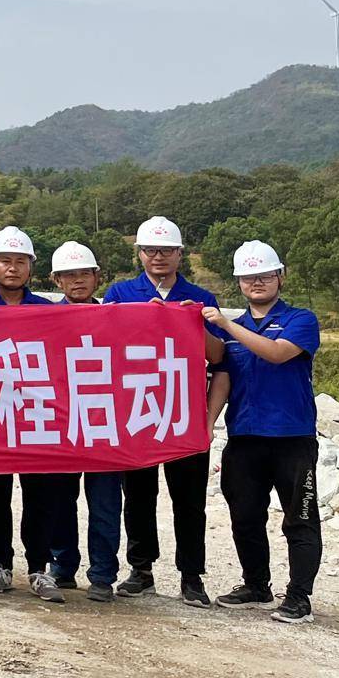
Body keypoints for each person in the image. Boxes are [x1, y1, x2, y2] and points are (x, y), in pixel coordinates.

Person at [102, 215, 230, 609]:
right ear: (139, 253)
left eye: (167, 251)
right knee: (138, 494)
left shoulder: (201, 297)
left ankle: (192, 576)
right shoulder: (121, 293)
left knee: (189, 499)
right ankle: (141, 570)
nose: (158, 257)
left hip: (184, 410)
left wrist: (192, 321)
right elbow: (101, 343)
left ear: (180, 254)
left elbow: (218, 355)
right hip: (136, 408)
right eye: (151, 251)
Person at [208, 241, 321, 625]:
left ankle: (299, 597)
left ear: (280, 277)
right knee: (245, 515)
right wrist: (207, 425)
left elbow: (276, 353)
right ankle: (256, 584)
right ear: (238, 282)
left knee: (299, 518)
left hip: (292, 438)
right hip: (244, 437)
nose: (256, 282)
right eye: (247, 277)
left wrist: (227, 325)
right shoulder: (233, 332)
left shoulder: (300, 320)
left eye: (264, 275)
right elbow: (222, 381)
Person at [0, 226, 76, 603]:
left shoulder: (48, 312)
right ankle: (1, 562)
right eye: (6, 261)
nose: (13, 268)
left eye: (21, 262)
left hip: (38, 416)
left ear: (31, 268)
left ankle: (39, 567)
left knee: (42, 495)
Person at [49, 241, 123, 602]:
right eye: (68, 275)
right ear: (56, 280)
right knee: (61, 502)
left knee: (106, 504)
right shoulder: (42, 319)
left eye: (84, 274)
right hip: (62, 425)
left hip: (104, 424)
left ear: (97, 277)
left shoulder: (118, 316)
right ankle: (62, 568)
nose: (77, 281)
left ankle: (103, 575)